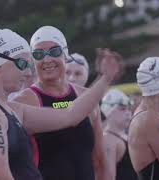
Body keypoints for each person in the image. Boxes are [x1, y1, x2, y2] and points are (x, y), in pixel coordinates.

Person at [0, 29, 119, 180]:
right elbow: (0, 177)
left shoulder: (12, 109)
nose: (29, 73)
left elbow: (69, 115)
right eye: (22, 64)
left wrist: (105, 78)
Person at [13, 26, 108, 180]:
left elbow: (100, 160)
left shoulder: (85, 96)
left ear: (66, 55)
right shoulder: (24, 102)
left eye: (54, 52)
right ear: (32, 60)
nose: (47, 59)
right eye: (38, 54)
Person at [101, 89, 137, 180]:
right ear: (109, 111)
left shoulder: (125, 136)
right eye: (122, 109)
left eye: (129, 109)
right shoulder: (108, 140)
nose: (128, 113)